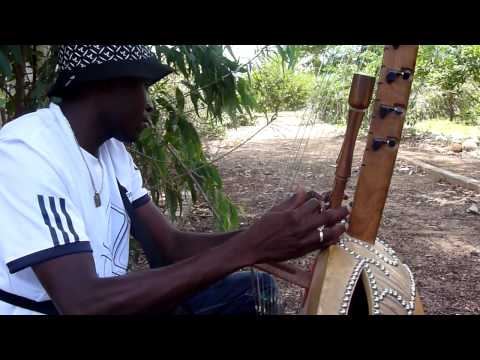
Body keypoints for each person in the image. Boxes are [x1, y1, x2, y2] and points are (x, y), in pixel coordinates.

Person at [0, 45, 349, 315]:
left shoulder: (112, 153)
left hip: (109, 305)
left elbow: (168, 248)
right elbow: (83, 303)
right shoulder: (28, 151)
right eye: (143, 86)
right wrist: (250, 247)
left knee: (253, 291)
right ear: (107, 84)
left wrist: (273, 234)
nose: (150, 105)